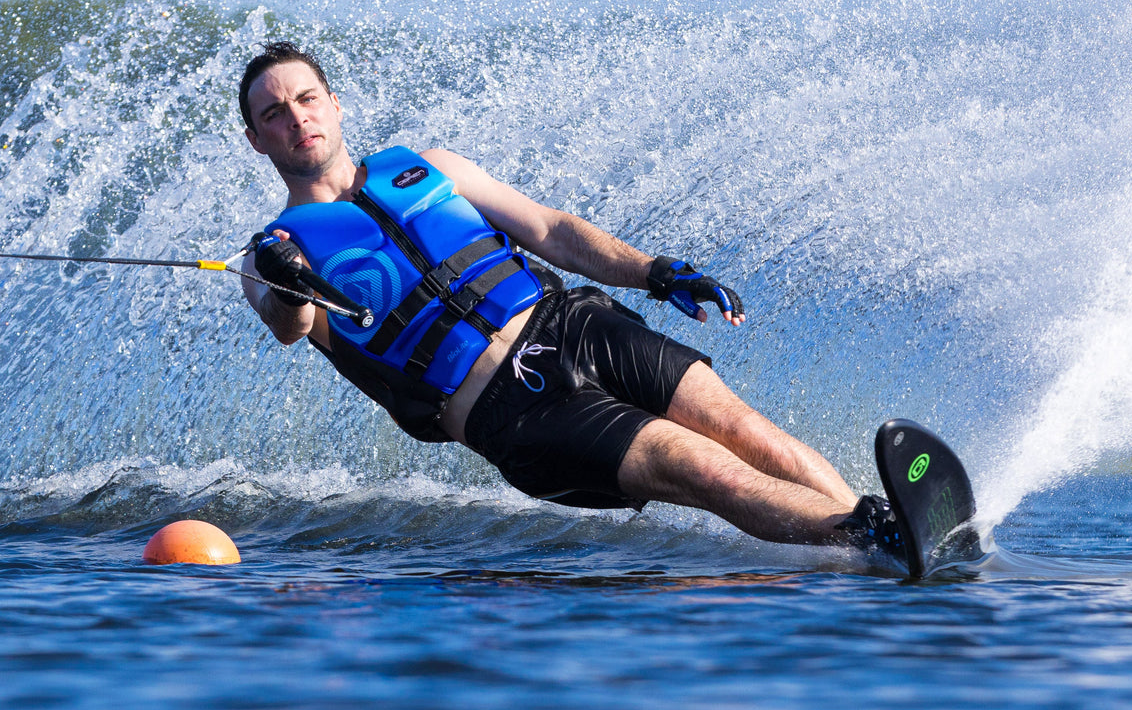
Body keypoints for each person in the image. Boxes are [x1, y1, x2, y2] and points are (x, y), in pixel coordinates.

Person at [238, 41, 904, 560]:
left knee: (747, 433)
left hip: (574, 325)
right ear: (257, 139)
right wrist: (286, 276)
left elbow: (550, 230)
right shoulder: (273, 253)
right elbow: (291, 327)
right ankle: (864, 540)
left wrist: (657, 273)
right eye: (274, 113)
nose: (296, 117)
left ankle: (889, 533)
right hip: (513, 412)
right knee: (700, 467)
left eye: (306, 98)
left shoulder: (428, 166)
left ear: (334, 104)